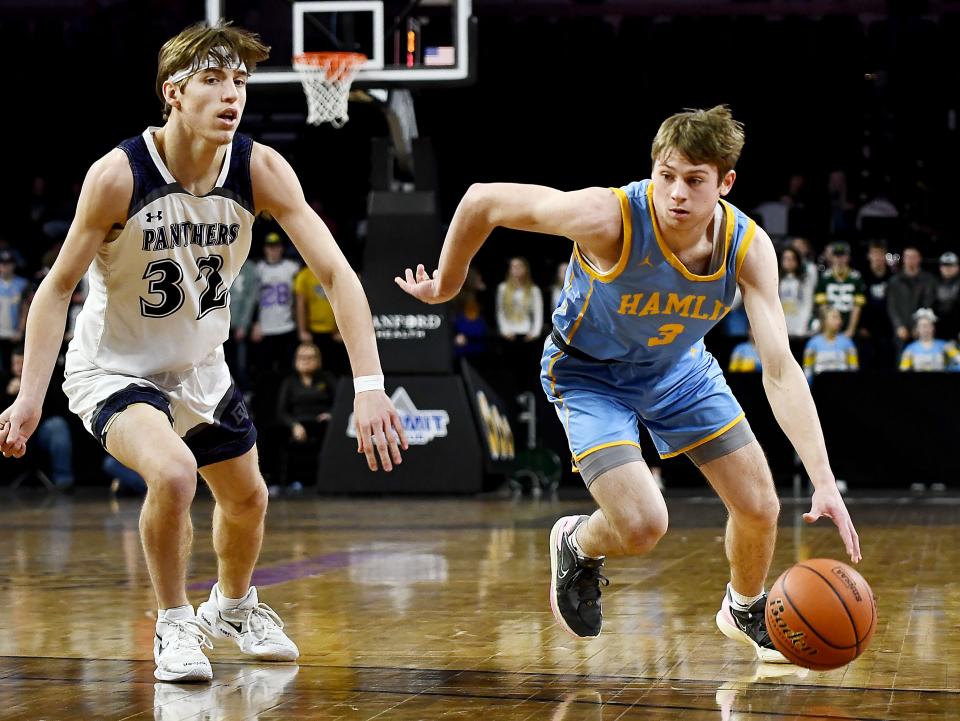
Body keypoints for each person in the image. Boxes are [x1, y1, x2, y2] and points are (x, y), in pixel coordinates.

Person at [0, 22, 407, 683]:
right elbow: (56, 289)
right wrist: (27, 397)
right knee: (175, 473)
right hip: (114, 368)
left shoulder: (259, 169)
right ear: (173, 92)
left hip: (199, 367)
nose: (232, 95)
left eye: (240, 82)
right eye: (213, 80)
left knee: (249, 500)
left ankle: (234, 606)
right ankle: (173, 624)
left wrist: (368, 384)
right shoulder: (118, 176)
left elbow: (336, 274)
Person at [396, 105, 859, 663]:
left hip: (678, 368)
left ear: (726, 182)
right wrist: (448, 283)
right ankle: (577, 543)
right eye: (667, 176)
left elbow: (780, 367)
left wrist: (824, 479)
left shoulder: (747, 247)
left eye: (695, 180)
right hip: (590, 374)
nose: (677, 194)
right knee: (642, 526)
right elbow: (481, 200)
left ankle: (744, 607)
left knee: (760, 504)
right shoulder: (608, 216)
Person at [273, 342, 338, 493]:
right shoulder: (289, 382)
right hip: (297, 423)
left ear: (318, 360)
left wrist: (331, 414)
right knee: (274, 434)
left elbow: (340, 401)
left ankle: (325, 480)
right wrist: (294, 425)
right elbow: (281, 411)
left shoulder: (326, 379)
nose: (305, 360)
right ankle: (280, 482)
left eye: (310, 357)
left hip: (321, 423)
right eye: (301, 357)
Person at [813, 241, 865, 338]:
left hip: (849, 326)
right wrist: (827, 327)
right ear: (832, 257)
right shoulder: (825, 277)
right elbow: (822, 305)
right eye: (837, 255)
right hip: (829, 327)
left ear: (848, 257)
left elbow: (857, 306)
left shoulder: (856, 277)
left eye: (842, 255)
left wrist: (851, 329)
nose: (839, 259)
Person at [887, 246, 936, 349]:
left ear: (919, 259)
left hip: (922, 328)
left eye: (914, 257)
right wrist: (898, 326)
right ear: (903, 259)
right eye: (908, 257)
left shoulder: (928, 279)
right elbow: (892, 306)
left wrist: (918, 326)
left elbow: (928, 303)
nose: (910, 260)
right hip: (901, 329)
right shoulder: (894, 281)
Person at [803, 307, 859, 383]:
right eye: (834, 317)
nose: (839, 321)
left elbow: (854, 369)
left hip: (843, 387)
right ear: (824, 320)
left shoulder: (848, 343)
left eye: (839, 318)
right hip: (819, 388)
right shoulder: (812, 344)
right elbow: (807, 371)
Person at [777, 246, 814, 337]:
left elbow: (808, 304)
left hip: (799, 326)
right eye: (785, 258)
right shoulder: (776, 280)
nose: (788, 262)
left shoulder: (805, 281)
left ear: (797, 261)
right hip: (781, 326)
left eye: (792, 258)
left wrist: (803, 325)